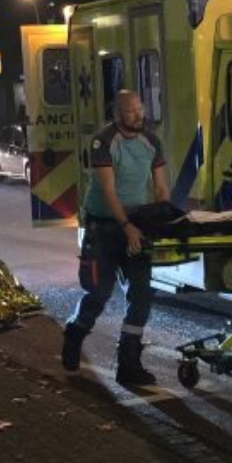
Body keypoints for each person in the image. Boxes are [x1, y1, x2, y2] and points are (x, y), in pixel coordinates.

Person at [61, 89, 170, 386]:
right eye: (130, 111)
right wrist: (126, 226)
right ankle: (75, 333)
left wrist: (162, 219)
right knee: (99, 293)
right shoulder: (104, 141)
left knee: (141, 295)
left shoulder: (151, 142)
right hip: (105, 227)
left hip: (135, 224)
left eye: (140, 109)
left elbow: (160, 188)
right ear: (117, 114)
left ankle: (129, 363)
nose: (137, 115)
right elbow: (108, 192)